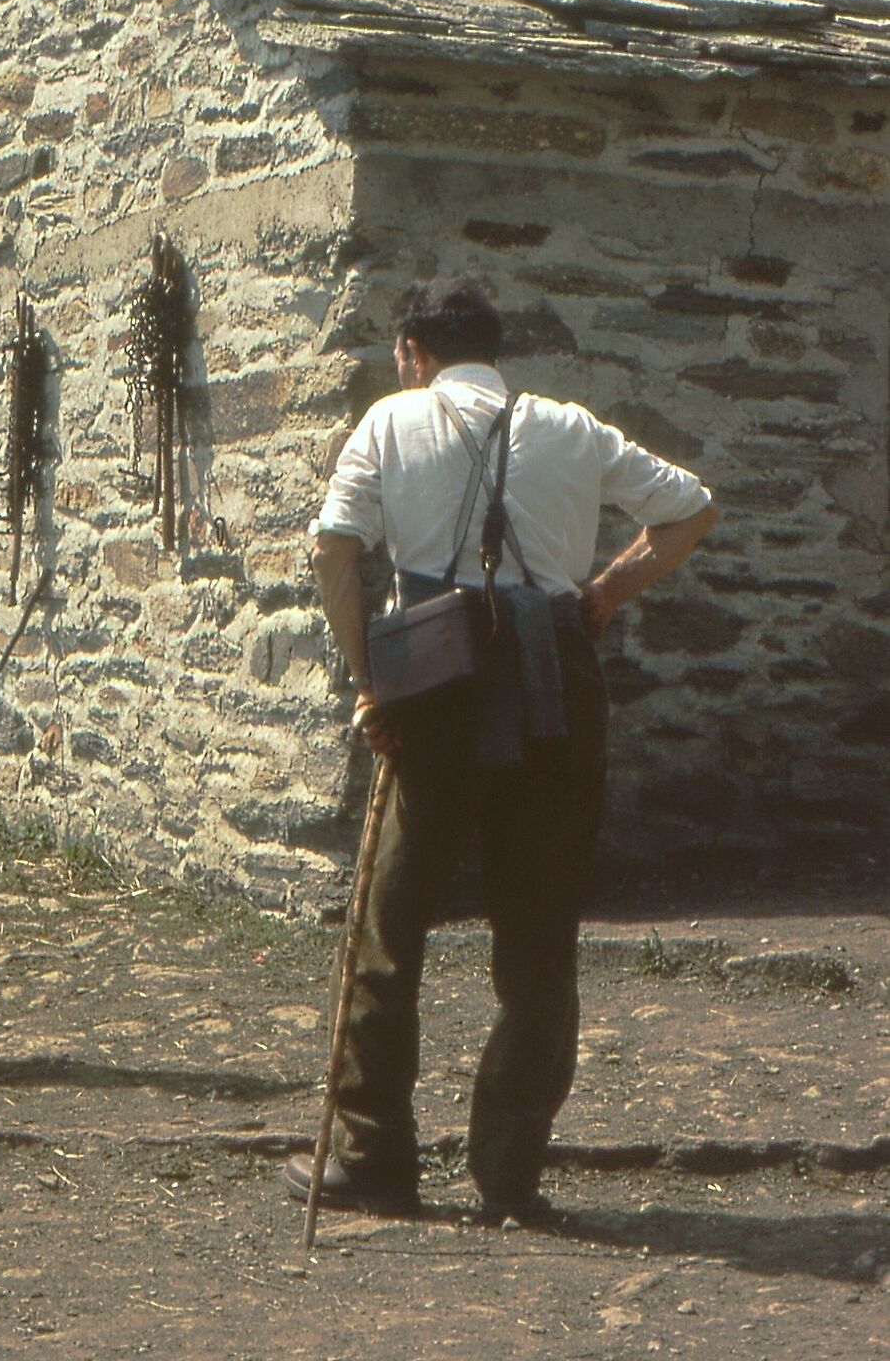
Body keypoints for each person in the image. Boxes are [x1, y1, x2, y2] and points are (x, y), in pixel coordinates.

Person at [286, 276, 719, 1225]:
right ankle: (509, 1172)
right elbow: (689, 509)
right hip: (553, 674)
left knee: (388, 924)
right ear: (494, 347)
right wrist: (601, 593)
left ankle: (370, 1162)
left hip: (436, 678)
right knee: (538, 930)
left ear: (412, 352)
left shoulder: (391, 423)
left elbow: (333, 552)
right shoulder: (569, 425)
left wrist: (370, 679)